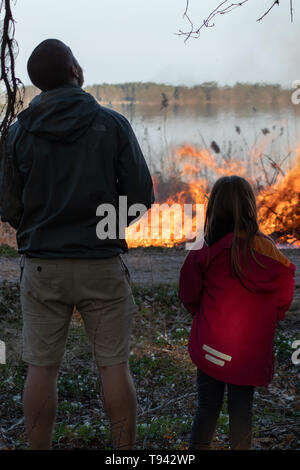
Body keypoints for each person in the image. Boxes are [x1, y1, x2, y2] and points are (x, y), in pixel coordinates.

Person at [0, 38, 154, 450]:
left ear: (36, 83)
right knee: (114, 368)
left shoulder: (16, 134)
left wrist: (37, 227)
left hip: (43, 267)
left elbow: (8, 204)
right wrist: (106, 228)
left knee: (41, 369)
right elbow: (141, 197)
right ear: (74, 71)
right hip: (100, 265)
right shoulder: (113, 124)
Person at [178, 175, 295, 450]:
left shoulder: (203, 248)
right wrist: (275, 313)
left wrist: (200, 313)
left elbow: (187, 293)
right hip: (248, 351)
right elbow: (285, 284)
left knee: (207, 407)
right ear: (249, 207)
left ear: (214, 208)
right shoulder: (265, 248)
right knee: (242, 411)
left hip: (211, 346)